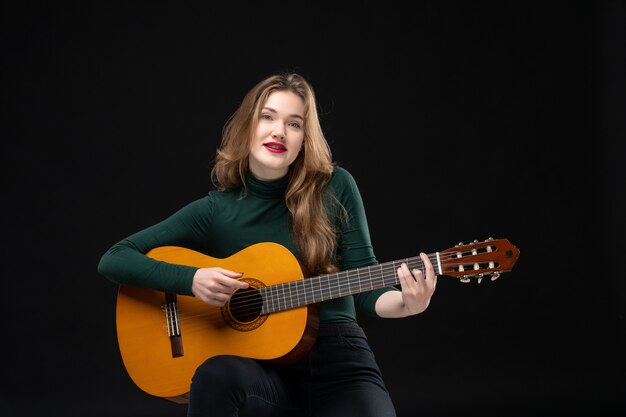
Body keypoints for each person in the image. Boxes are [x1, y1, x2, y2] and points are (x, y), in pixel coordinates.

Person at [98, 72, 437, 417]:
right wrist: (191, 279)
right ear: (248, 127)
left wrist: (408, 304)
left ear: (305, 140)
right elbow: (114, 258)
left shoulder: (336, 187)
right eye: (268, 117)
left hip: (340, 361)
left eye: (294, 124)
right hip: (265, 370)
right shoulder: (216, 210)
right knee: (214, 375)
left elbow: (364, 284)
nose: (279, 131)